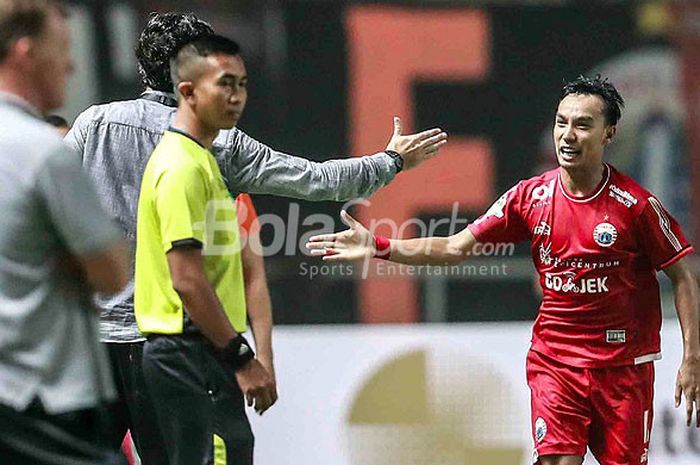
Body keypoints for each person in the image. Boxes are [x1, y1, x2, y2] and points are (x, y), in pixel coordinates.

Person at [63, 11, 447, 464]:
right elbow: (318, 181)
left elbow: (45, 203)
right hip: (173, 342)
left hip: (93, 340)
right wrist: (390, 161)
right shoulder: (214, 143)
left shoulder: (94, 124)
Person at [307, 75, 700, 465]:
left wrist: (692, 357)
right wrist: (379, 246)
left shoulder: (636, 206)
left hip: (622, 369)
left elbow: (683, 277)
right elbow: (454, 246)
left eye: (583, 125)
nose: (567, 135)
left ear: (608, 134)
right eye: (561, 122)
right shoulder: (530, 197)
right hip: (556, 361)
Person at [135, 34, 275, 465]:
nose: (236, 97)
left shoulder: (204, 163)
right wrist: (241, 356)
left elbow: (243, 271)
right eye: (225, 84)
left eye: (243, 84)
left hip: (205, 352)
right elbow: (187, 280)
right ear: (188, 92)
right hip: (189, 351)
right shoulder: (180, 169)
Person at [0, 1, 130, 464]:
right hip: (51, 405)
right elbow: (113, 272)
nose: (71, 65)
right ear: (25, 51)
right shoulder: (45, 152)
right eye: (63, 49)